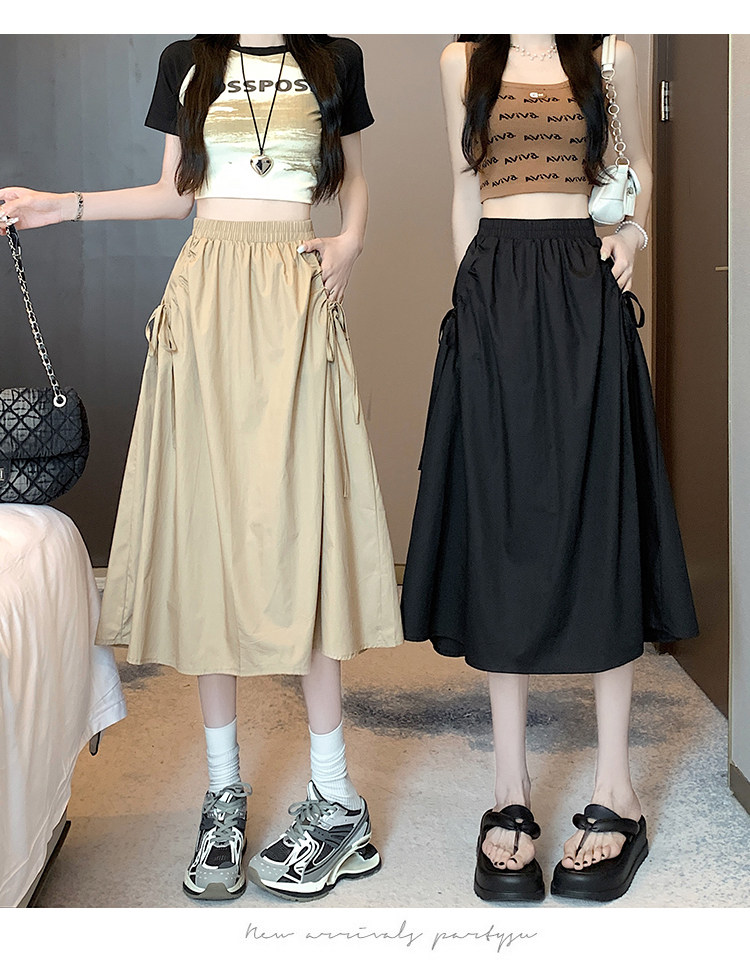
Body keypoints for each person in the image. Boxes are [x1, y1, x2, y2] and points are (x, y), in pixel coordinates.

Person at [0, 33, 403, 903]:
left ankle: (337, 800)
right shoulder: (186, 59)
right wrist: (60, 207)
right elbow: (171, 193)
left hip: (293, 297)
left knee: (306, 542)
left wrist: (350, 242)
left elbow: (356, 175)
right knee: (210, 546)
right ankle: (223, 794)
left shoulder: (334, 58)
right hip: (206, 299)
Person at [400, 34, 698, 903]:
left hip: (583, 287)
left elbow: (638, 168)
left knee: (604, 521)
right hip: (493, 293)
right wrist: (467, 313)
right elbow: (466, 190)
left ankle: (617, 790)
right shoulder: (462, 62)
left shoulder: (609, 54)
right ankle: (510, 789)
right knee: (503, 530)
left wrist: (633, 231)